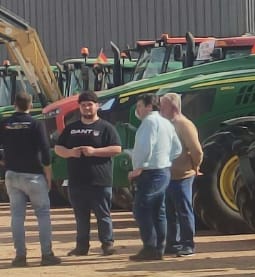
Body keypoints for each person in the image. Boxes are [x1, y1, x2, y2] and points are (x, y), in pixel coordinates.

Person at [53, 90, 123, 257]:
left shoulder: (106, 128)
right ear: (79, 107)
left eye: (90, 105)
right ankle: (81, 246)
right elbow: (58, 148)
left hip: (100, 181)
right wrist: (70, 153)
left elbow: (117, 149)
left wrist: (94, 151)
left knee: (103, 215)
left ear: (97, 106)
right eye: (83, 105)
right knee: (80, 217)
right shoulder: (71, 128)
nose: (86, 108)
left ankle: (107, 244)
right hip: (77, 181)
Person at [2, 92, 60, 266]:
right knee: (42, 214)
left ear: (14, 104)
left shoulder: (4, 123)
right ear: (31, 105)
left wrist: (5, 162)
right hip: (34, 175)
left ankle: (20, 256)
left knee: (17, 216)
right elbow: (45, 150)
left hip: (12, 175)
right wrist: (48, 175)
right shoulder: (36, 124)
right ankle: (46, 254)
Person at [128, 93, 181, 262]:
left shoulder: (149, 122)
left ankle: (150, 247)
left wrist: (137, 168)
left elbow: (144, 147)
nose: (138, 110)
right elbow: (177, 148)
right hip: (164, 170)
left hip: (151, 172)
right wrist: (165, 159)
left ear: (149, 106)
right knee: (159, 210)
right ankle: (159, 247)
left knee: (141, 209)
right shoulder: (166, 123)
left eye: (139, 106)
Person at [160, 93, 203, 257]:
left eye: (162, 106)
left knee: (184, 210)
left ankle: (188, 244)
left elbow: (196, 150)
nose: (160, 109)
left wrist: (195, 166)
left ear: (173, 107)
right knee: (169, 211)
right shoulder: (166, 125)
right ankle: (172, 243)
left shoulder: (184, 125)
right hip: (166, 176)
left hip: (182, 176)